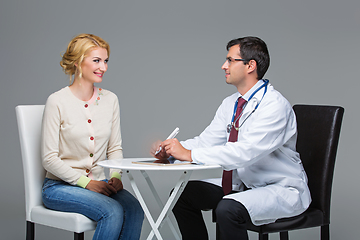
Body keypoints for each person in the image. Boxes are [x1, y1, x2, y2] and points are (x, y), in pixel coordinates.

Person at [151, 36, 311, 240]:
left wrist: (189, 154)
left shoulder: (274, 105)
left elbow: (245, 153)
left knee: (228, 209)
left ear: (250, 65)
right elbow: (207, 141)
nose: (223, 66)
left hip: (279, 188)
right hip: (245, 183)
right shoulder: (231, 103)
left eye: (230, 60)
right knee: (181, 195)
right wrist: (172, 150)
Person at [41, 33, 144, 240]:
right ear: (78, 63)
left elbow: (114, 148)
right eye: (96, 61)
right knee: (111, 211)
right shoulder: (57, 101)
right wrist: (86, 183)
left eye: (105, 61)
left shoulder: (110, 100)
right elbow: (49, 158)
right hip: (60, 187)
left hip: (101, 182)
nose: (103, 67)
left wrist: (115, 176)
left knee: (135, 210)